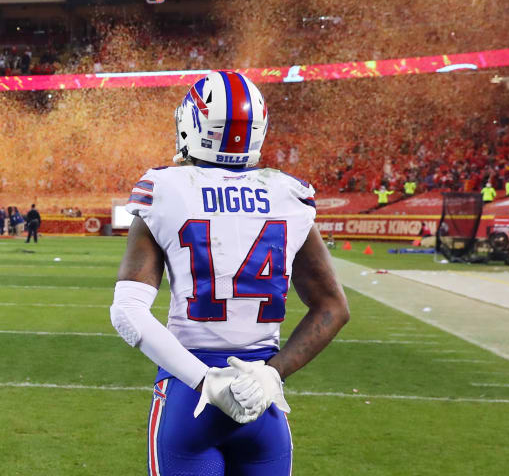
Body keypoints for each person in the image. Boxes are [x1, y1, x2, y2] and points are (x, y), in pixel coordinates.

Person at [109, 72, 349, 475]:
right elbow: (333, 308)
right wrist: (273, 374)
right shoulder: (289, 194)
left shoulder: (164, 189)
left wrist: (205, 382)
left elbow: (126, 313)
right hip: (262, 400)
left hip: (189, 396)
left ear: (192, 122)